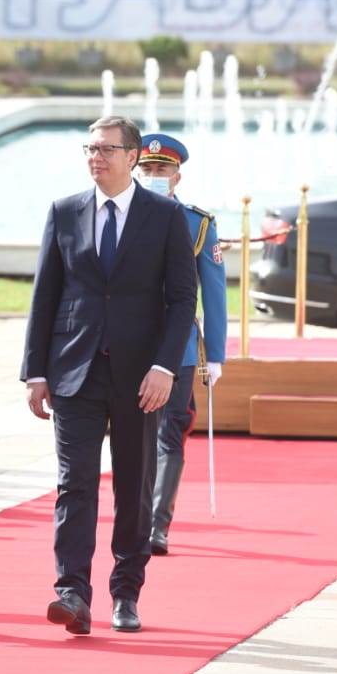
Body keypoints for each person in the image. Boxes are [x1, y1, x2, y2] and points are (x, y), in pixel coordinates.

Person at [21, 116, 197, 636]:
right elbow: (45, 295)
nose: (96, 157)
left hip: (140, 377)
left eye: (106, 149)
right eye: (90, 149)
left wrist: (166, 366)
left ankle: (126, 591)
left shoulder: (164, 217)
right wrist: (35, 371)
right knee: (73, 483)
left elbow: (181, 298)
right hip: (74, 372)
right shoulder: (65, 211)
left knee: (133, 485)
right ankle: (71, 591)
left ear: (134, 156)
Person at [135, 135, 226, 556]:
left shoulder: (198, 224)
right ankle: (133, 514)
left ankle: (157, 524)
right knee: (136, 435)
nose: (154, 177)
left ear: (177, 176)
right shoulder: (122, 214)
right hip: (131, 342)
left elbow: (215, 292)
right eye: (148, 169)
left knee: (171, 432)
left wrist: (218, 353)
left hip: (180, 347)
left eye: (162, 170)